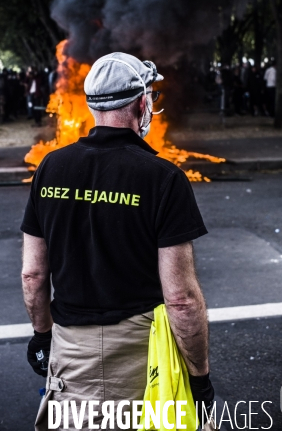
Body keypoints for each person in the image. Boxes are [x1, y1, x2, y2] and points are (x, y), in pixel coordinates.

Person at [21, 52, 214, 430]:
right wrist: (200, 380)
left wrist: (42, 338)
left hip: (69, 355)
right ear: (142, 103)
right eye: (151, 100)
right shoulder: (163, 178)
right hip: (144, 362)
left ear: (92, 105)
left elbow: (33, 276)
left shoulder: (50, 167)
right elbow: (181, 299)